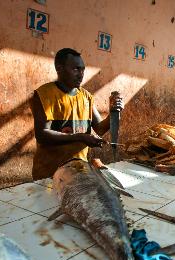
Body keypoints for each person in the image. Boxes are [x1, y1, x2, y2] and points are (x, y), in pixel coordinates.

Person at [30, 48, 123, 180]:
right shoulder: (44, 95)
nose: (81, 75)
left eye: (83, 70)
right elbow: (42, 134)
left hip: (78, 170)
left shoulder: (86, 97)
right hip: (49, 172)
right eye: (75, 69)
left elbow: (100, 129)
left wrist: (114, 113)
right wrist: (81, 137)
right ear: (59, 68)